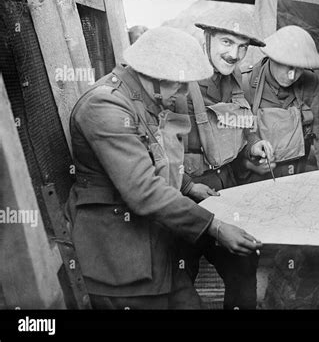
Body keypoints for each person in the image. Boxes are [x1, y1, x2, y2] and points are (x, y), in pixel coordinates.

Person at [64, 27, 262, 309]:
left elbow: (151, 157)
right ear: (152, 75)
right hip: (120, 259)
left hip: (155, 246)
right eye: (178, 84)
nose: (183, 92)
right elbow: (143, 189)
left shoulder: (142, 99)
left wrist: (188, 186)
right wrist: (215, 227)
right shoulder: (105, 105)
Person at [178, 6, 274, 309]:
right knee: (179, 281)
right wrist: (185, 185)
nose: (234, 54)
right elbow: (154, 152)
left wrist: (254, 146)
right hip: (183, 199)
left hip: (225, 192)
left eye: (242, 46)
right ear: (207, 37)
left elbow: (242, 126)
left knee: (245, 267)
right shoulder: (179, 80)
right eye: (226, 42)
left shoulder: (233, 79)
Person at [236, 25, 319, 184]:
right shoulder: (245, 83)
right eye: (288, 66)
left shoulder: (309, 83)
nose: (292, 75)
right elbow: (232, 138)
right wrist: (249, 164)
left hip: (296, 175)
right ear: (272, 57)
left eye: (299, 69)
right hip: (253, 179)